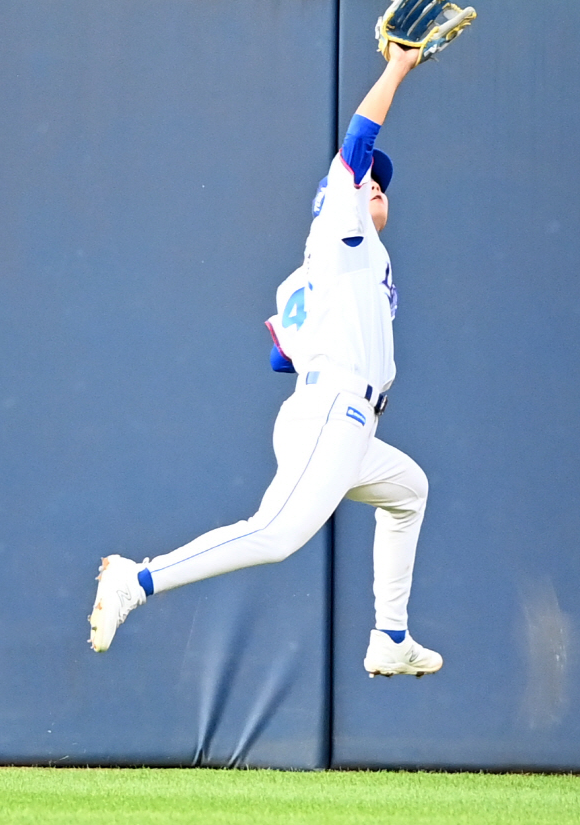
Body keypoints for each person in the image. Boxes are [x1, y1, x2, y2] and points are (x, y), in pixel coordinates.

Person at [88, 42, 442, 679]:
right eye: (369, 181)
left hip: (338, 415)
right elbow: (356, 146)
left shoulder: (329, 267)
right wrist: (397, 68)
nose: (375, 184)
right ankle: (135, 580)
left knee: (409, 490)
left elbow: (282, 351)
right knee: (275, 534)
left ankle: (391, 638)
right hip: (334, 409)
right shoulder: (341, 226)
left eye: (382, 182)